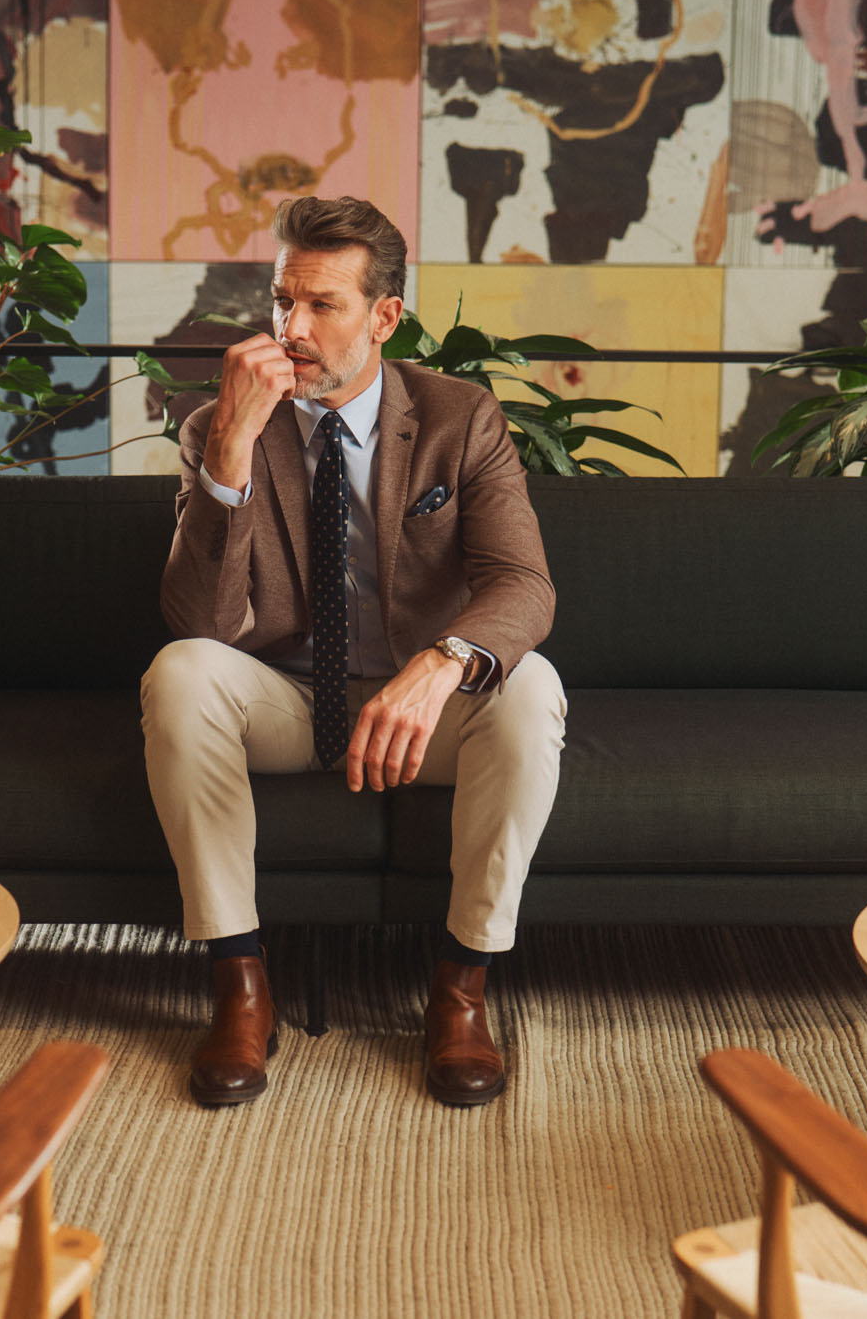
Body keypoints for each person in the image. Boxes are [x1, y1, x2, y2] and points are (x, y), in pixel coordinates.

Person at [141, 195, 567, 1109]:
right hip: (288, 701)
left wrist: (443, 661)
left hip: (421, 715)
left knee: (531, 689)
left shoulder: (460, 418)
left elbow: (523, 587)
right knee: (179, 675)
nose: (290, 328)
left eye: (320, 305)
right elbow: (200, 623)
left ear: (384, 318)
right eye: (281, 302)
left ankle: (460, 991)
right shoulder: (217, 427)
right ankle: (240, 987)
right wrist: (230, 448)